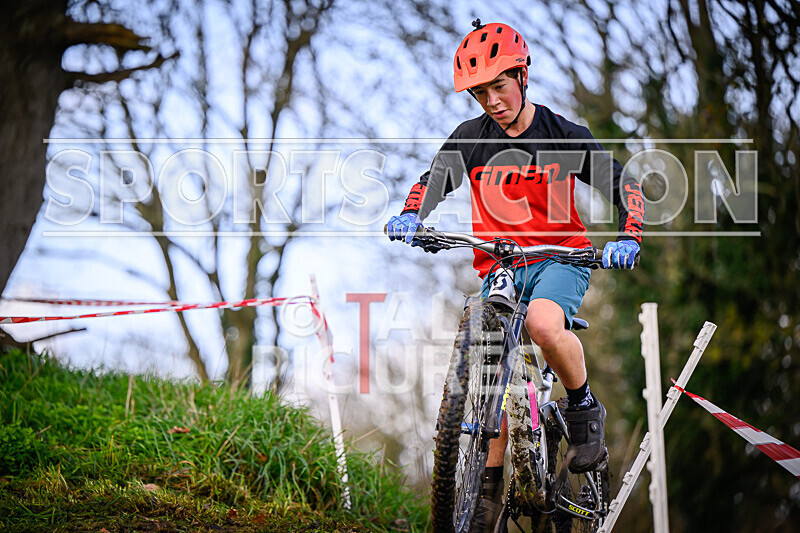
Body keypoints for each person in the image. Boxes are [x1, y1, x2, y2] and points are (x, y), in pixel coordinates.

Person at [386, 19, 644, 532]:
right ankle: (482, 496)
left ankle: (584, 409)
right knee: (489, 375)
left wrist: (629, 236)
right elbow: (430, 183)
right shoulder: (470, 139)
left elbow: (623, 184)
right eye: (480, 92)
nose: (491, 100)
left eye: (499, 85)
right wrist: (413, 216)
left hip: (560, 259)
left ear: (522, 76)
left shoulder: (562, 135)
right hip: (501, 267)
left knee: (545, 326)